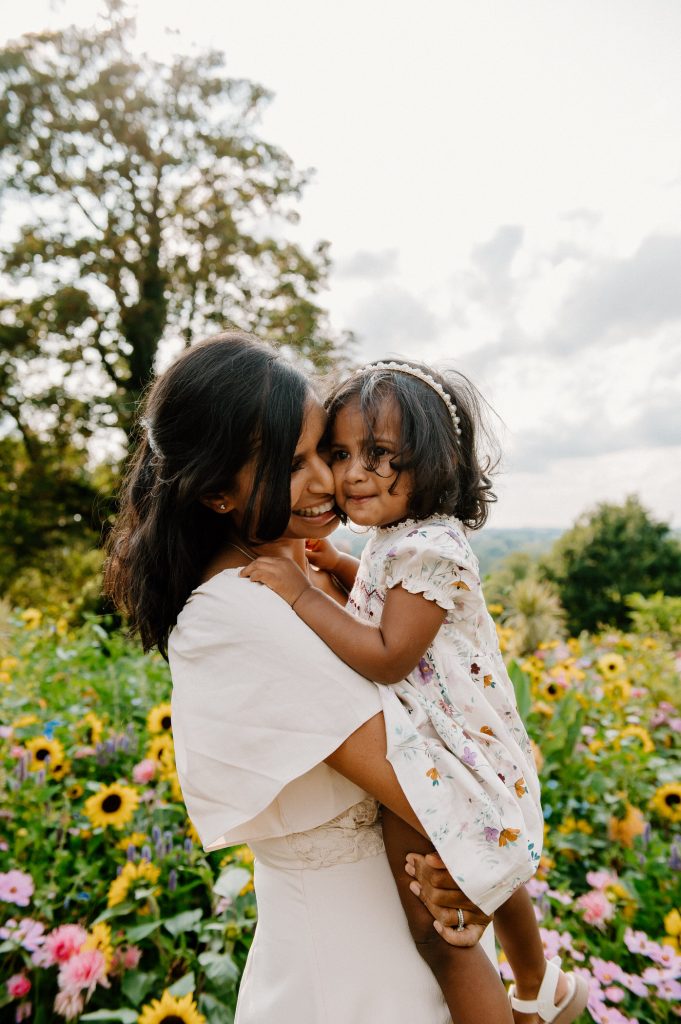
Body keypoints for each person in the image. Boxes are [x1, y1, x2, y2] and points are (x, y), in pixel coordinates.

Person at [104, 333, 509, 1024]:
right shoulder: (236, 610)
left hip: (427, 929)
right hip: (350, 976)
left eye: (325, 448)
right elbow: (422, 784)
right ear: (215, 494)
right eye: (293, 464)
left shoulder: (321, 566)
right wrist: (486, 864)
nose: (329, 480)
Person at [241, 359, 589, 1024]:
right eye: (338, 453)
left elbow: (388, 654)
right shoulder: (396, 539)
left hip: (441, 750)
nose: (351, 474)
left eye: (379, 455)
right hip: (455, 741)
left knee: (440, 932)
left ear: (434, 461)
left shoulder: (427, 548)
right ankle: (537, 986)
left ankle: (517, 999)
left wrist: (301, 598)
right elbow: (385, 604)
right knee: (491, 870)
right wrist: (342, 568)